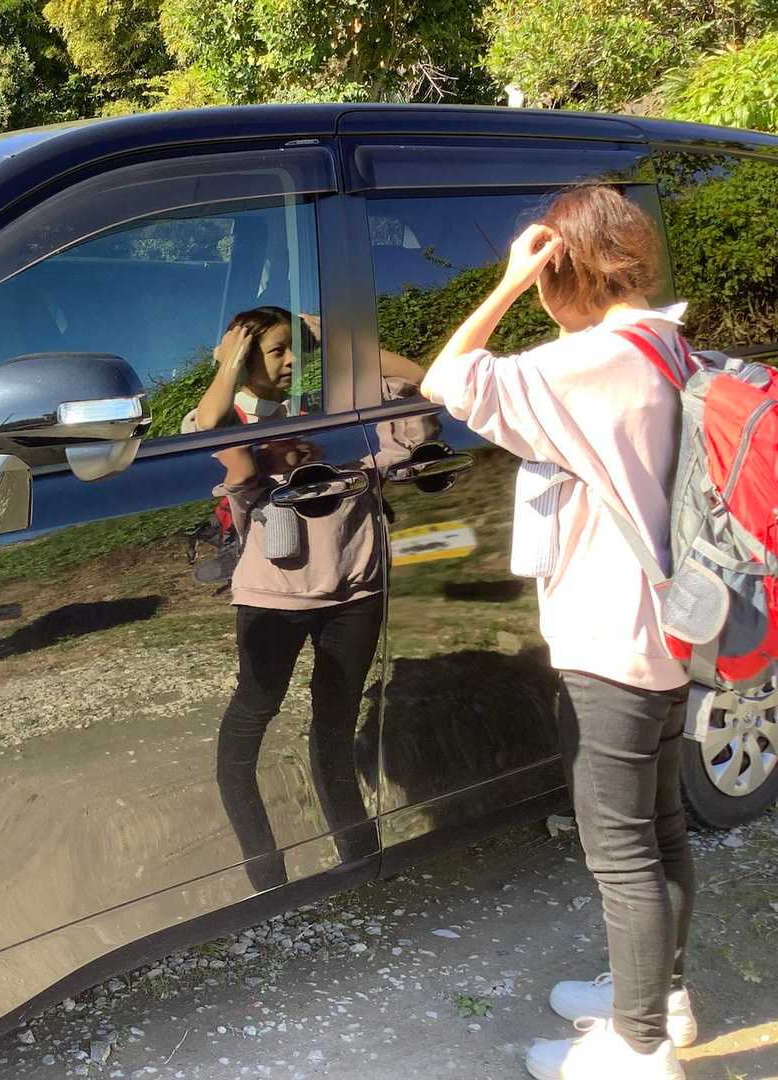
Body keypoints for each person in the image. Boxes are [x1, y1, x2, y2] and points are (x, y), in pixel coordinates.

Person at [420, 185, 694, 1080]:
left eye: (546, 276)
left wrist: (507, 281)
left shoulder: (594, 361)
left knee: (620, 850)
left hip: (612, 635)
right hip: (672, 627)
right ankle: (660, 1001)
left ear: (563, 271)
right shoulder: (666, 340)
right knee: (661, 826)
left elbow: (449, 378)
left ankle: (638, 1049)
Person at [186, 307, 388, 891]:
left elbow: (423, 381)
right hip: (272, 598)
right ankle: (267, 878)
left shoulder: (332, 405)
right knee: (252, 717)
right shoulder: (226, 419)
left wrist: (343, 338)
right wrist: (228, 361)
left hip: (354, 591)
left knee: (335, 729)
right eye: (277, 350)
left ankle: (361, 864)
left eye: (300, 347)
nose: (294, 360)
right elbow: (212, 429)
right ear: (244, 359)